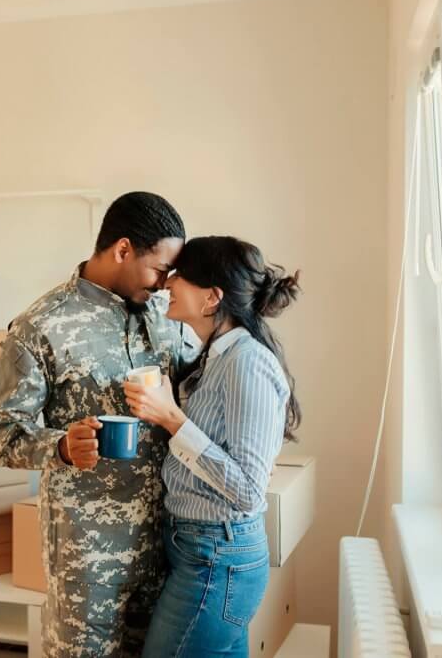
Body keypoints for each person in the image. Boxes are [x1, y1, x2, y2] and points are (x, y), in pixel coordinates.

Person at [0, 191, 196, 657]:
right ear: (122, 250)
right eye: (159, 270)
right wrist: (60, 446)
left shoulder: (167, 315)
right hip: (87, 555)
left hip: (167, 544)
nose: (164, 284)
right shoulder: (42, 325)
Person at [123, 236, 301, 658]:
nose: (167, 281)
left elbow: (247, 490)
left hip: (217, 558)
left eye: (180, 274)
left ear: (212, 298)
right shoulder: (216, 356)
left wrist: (172, 418)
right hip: (200, 550)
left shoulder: (248, 362)